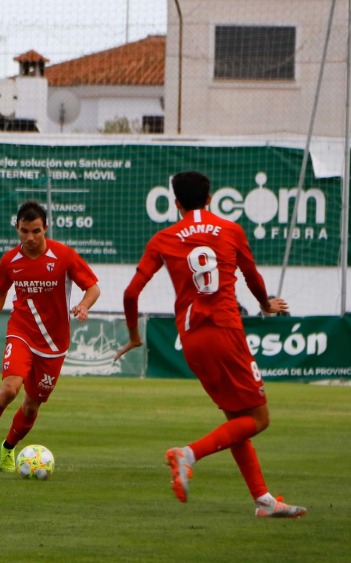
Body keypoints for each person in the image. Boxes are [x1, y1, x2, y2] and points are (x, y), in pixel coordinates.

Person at [118, 170, 305, 519]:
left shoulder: (163, 238)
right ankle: (188, 454)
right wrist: (265, 305)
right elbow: (253, 278)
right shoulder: (231, 230)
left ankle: (264, 500)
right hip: (225, 331)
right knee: (260, 419)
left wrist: (133, 335)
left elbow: (130, 292)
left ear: (176, 204)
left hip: (190, 340)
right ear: (210, 199)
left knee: (236, 418)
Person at [0, 201, 100, 472]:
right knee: (9, 389)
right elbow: (0, 293)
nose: (30, 238)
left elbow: (92, 287)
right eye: (24, 231)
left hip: (54, 343)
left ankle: (8, 448)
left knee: (31, 406)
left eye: (35, 231)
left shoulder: (65, 256)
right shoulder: (10, 260)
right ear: (17, 229)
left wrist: (83, 305)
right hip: (21, 332)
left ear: (46, 228)